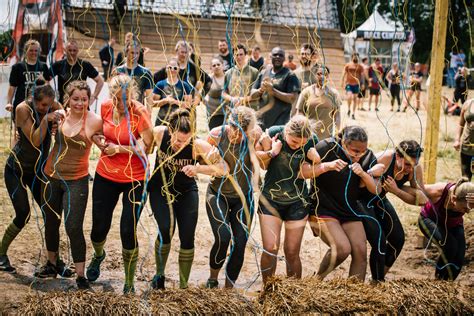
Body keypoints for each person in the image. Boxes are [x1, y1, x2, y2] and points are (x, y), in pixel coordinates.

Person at [86, 75, 153, 294]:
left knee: (127, 228)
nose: (119, 104)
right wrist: (100, 141)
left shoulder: (139, 112)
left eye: (124, 99)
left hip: (135, 177)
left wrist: (120, 149)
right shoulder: (105, 108)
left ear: (131, 95)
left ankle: (129, 281)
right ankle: (98, 255)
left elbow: (147, 147)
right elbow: (94, 132)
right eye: (115, 98)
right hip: (106, 174)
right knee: (98, 228)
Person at [148, 109, 227, 290]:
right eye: (177, 139)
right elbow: (142, 146)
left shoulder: (197, 145)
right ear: (170, 130)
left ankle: (183, 285)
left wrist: (198, 169)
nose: (180, 144)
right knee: (166, 230)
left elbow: (223, 168)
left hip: (186, 191)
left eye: (185, 141)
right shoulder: (159, 133)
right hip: (161, 189)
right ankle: (159, 275)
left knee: (187, 237)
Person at [39, 81, 102, 289]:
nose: (80, 103)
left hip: (77, 180)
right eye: (76, 98)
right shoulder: (60, 115)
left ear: (89, 99)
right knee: (50, 221)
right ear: (68, 98)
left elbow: (102, 138)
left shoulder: (94, 121)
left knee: (73, 226)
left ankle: (81, 275)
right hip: (51, 176)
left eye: (84, 99)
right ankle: (51, 262)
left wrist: (103, 143)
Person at [0, 82, 67, 274]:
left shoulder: (52, 106)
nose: (46, 108)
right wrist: (47, 120)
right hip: (17, 170)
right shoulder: (22, 108)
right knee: (24, 214)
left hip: (39, 172)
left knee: (52, 215)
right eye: (42, 105)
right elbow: (36, 140)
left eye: (49, 104)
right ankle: (1, 253)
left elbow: (62, 113)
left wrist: (57, 121)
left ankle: (53, 262)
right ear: (34, 100)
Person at [308, 126, 382, 281]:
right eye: (355, 151)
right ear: (343, 143)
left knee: (361, 251)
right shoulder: (327, 147)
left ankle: (355, 295)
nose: (360, 155)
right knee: (342, 249)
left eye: (363, 151)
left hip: (349, 210)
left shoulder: (367, 156)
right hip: (323, 207)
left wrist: (363, 173)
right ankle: (315, 282)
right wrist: (326, 166)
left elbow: (377, 189)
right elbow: (303, 171)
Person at [255, 115, 321, 283]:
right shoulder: (274, 133)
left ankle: (293, 295)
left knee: (292, 252)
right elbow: (258, 162)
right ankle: (268, 291)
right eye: (293, 142)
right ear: (286, 132)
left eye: (301, 143)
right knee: (270, 249)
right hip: (271, 200)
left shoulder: (312, 140)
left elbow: (312, 172)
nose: (298, 145)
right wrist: (271, 151)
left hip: (297, 202)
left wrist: (317, 159)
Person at [205, 106, 261, 288]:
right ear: (228, 123)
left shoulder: (253, 137)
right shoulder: (216, 134)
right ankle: (213, 278)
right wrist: (209, 157)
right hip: (218, 193)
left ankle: (229, 288)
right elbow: (200, 155)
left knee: (240, 242)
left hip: (243, 198)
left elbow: (263, 157)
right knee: (223, 236)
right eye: (233, 128)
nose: (235, 134)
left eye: (241, 132)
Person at [358, 140, 426, 282]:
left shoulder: (414, 169)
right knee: (380, 241)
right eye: (407, 164)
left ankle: (377, 279)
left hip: (379, 200)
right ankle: (377, 282)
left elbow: (422, 199)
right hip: (361, 199)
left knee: (398, 240)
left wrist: (397, 191)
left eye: (414, 164)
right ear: (398, 156)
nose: (410, 168)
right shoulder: (385, 159)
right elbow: (358, 180)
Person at [419, 178, 473, 280]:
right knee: (450, 246)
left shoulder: (468, 199)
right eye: (465, 209)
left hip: (453, 223)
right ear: (453, 198)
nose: (467, 212)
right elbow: (417, 188)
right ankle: (439, 282)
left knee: (460, 254)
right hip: (429, 220)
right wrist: (396, 188)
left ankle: (448, 284)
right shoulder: (438, 191)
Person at [251, 47, 300, 130]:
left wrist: (273, 91)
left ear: (284, 58)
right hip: (261, 121)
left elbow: (292, 98)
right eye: (275, 55)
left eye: (280, 55)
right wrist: (260, 90)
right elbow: (252, 94)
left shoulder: (290, 75)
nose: (277, 57)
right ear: (271, 57)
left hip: (280, 122)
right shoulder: (263, 73)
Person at [5, 39, 51, 119]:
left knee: (37, 129)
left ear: (39, 52)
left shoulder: (43, 66)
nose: (34, 53)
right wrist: (9, 102)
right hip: (21, 102)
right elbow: (12, 86)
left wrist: (43, 79)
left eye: (36, 50)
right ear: (26, 51)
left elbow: (47, 86)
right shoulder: (17, 67)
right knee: (21, 129)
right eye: (31, 50)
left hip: (39, 104)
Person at [50, 40, 104, 105]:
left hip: (80, 105)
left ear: (78, 51)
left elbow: (100, 81)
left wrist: (94, 96)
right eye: (70, 50)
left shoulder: (85, 65)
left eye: (74, 50)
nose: (72, 53)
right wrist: (51, 98)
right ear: (65, 50)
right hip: (63, 104)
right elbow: (45, 80)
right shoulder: (58, 65)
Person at [295, 65, 341, 140]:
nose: (322, 77)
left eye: (325, 74)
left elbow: (337, 116)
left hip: (326, 138)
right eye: (319, 74)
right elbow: (299, 112)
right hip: (308, 137)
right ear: (314, 75)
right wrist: (302, 129)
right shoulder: (306, 92)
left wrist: (336, 134)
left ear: (328, 76)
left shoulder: (334, 94)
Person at [153, 58, 193, 126]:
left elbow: (189, 105)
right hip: (162, 120)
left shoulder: (184, 85)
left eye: (175, 68)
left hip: (178, 121)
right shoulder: (160, 84)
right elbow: (152, 103)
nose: (172, 70)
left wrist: (174, 101)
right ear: (166, 69)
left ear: (178, 69)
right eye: (170, 67)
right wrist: (165, 100)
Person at [113, 40, 154, 107]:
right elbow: (112, 94)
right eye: (132, 53)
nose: (135, 56)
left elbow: (149, 99)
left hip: (138, 111)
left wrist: (148, 115)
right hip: (121, 109)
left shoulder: (145, 73)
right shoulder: (117, 71)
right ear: (126, 53)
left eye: (137, 53)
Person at [222, 44, 259, 110]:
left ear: (245, 55)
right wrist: (232, 99)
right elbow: (223, 93)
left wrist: (243, 100)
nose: (238, 57)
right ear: (233, 56)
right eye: (236, 54)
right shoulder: (228, 73)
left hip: (250, 110)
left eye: (241, 54)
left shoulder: (254, 71)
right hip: (234, 110)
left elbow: (258, 93)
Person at [454, 99, 474, 181]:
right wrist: (457, 139)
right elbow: (461, 124)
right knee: (465, 178)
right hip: (466, 148)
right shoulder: (467, 104)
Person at [205, 57, 226, 129]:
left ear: (222, 65)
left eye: (218, 64)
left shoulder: (228, 77)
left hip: (227, 114)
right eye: (214, 65)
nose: (216, 67)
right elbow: (201, 94)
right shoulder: (208, 79)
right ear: (211, 68)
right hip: (213, 114)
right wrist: (206, 103)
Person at [342, 54, 363, 120]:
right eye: (354, 56)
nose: (355, 57)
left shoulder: (360, 66)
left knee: (355, 99)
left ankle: (353, 113)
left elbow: (362, 76)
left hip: (356, 84)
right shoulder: (348, 65)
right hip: (349, 84)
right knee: (349, 97)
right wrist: (342, 82)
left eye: (356, 56)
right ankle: (348, 109)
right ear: (352, 57)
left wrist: (362, 84)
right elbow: (344, 73)